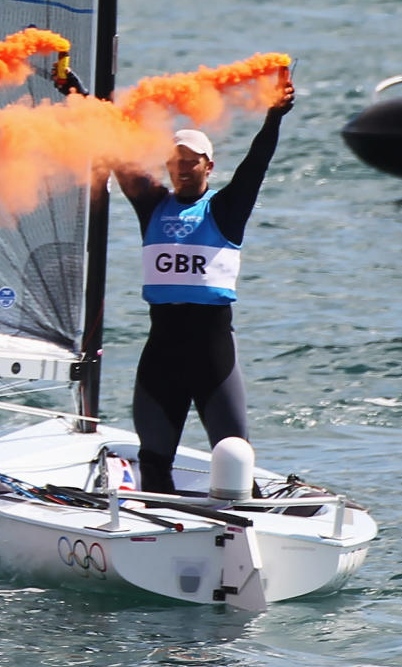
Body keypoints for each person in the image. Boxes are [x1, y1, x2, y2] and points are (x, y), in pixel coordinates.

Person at [114, 79, 295, 494]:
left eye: (191, 160)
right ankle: (157, 539)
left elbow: (257, 164)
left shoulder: (225, 210)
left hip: (213, 358)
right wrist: (77, 93)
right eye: (175, 160)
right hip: (161, 355)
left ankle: (246, 532)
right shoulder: (152, 206)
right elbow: (110, 147)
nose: (181, 167)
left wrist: (273, 116)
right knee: (154, 465)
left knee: (234, 459)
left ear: (208, 167)